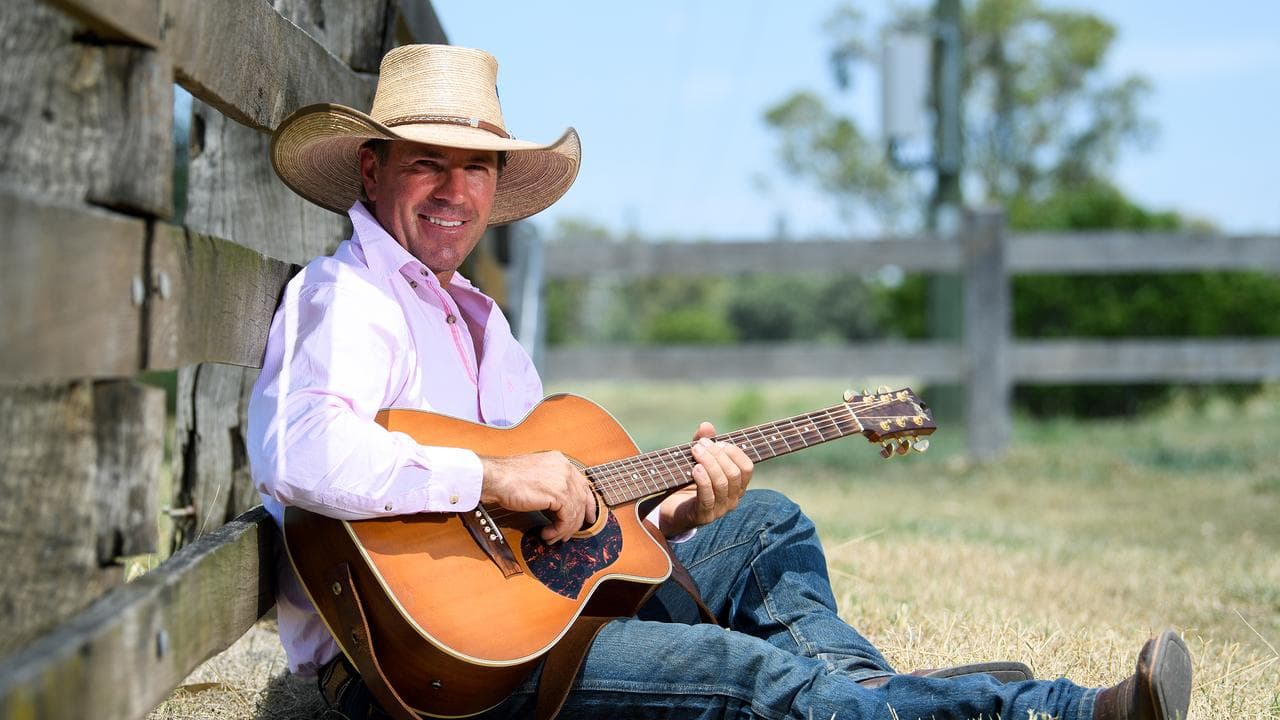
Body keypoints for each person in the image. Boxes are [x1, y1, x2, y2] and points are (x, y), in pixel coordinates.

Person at [247, 44, 1193, 720]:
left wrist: (667, 521)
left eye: (476, 168)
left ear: (499, 186)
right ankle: (1055, 713)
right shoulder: (351, 297)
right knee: (749, 677)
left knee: (764, 525)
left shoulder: (482, 325)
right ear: (372, 171)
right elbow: (299, 449)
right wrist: (495, 477)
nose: (455, 190)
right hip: (415, 670)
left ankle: (869, 702)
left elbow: (558, 536)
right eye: (428, 164)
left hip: (513, 618)